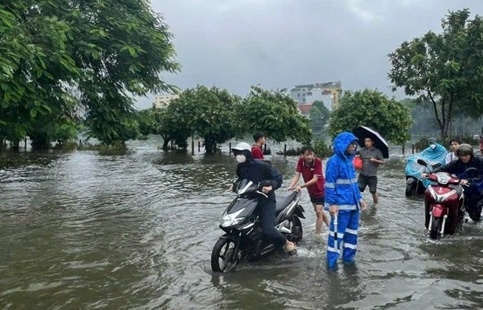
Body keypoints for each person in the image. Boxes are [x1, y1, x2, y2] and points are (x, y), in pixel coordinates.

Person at [231, 142, 296, 252]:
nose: (238, 155)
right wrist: (234, 185)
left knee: (268, 229)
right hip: (248, 200)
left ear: (247, 153)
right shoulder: (240, 167)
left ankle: (287, 243)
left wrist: (271, 186)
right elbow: (241, 180)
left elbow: (278, 179)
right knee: (238, 223)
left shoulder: (262, 166)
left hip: (265, 200)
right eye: (236, 153)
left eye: (240, 153)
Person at [325, 132, 367, 269]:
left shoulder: (350, 161)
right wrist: (332, 204)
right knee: (336, 236)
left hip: (353, 205)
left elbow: (353, 183)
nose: (354, 147)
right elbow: (330, 184)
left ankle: (349, 260)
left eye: (355, 144)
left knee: (352, 235)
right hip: (340, 207)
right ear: (343, 145)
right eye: (351, 144)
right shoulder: (334, 161)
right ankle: (332, 265)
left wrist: (360, 199)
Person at [429, 143, 483, 221]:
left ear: (470, 154)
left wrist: (469, 181)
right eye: (461, 155)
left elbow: (481, 176)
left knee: (475, 216)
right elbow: (444, 168)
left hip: (477, 188)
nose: (463, 157)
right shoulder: (457, 163)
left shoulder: (479, 162)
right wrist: (431, 173)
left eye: (466, 155)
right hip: (460, 186)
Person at [287, 145, 330, 239]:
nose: (309, 157)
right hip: (311, 191)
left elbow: (315, 179)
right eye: (307, 155)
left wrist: (300, 186)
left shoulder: (317, 162)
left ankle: (317, 235)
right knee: (318, 211)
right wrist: (291, 186)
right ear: (302, 155)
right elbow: (297, 175)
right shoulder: (301, 162)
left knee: (318, 212)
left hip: (320, 190)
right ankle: (330, 226)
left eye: (311, 154)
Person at [357, 137, 384, 205]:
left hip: (372, 175)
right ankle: (358, 203)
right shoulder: (362, 150)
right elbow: (358, 158)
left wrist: (374, 160)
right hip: (362, 174)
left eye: (368, 141)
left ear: (372, 142)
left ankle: (375, 206)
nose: (367, 143)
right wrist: (357, 157)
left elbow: (383, 162)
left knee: (373, 191)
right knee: (357, 189)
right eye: (365, 141)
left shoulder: (377, 151)